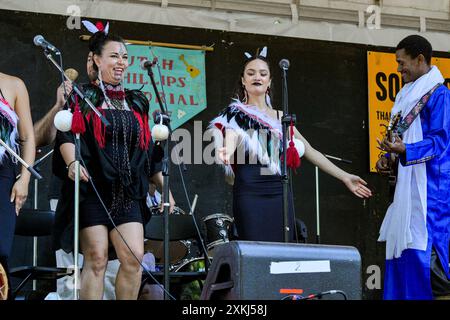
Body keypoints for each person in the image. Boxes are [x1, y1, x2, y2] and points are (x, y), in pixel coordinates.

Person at [52, 30, 172, 300]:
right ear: (95, 59)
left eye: (125, 57)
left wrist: (164, 187)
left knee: (134, 257)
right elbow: (66, 133)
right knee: (97, 257)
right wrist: (72, 162)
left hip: (127, 191)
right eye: (114, 56)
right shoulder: (82, 96)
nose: (121, 61)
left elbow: (147, 150)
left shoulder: (136, 102)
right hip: (92, 188)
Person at [209, 47, 372, 242]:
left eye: (263, 73)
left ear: (269, 81)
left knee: (281, 249)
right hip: (250, 192)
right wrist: (227, 149)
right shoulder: (234, 114)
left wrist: (345, 176)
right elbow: (231, 137)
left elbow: (310, 151)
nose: (256, 77)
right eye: (250, 73)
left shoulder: (280, 117)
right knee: (255, 251)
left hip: (279, 192)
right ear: (243, 80)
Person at [376, 35, 450, 300]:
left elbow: (440, 142)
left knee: (429, 265)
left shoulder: (439, 94)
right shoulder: (406, 96)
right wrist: (390, 159)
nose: (398, 69)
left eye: (401, 62)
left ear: (420, 59)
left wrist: (405, 150)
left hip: (431, 195)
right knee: (403, 253)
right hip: (406, 191)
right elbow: (402, 142)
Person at [0, 72, 35, 299]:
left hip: (4, 173)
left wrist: (24, 179)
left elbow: (27, 137)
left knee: (1, 250)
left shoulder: (14, 84)